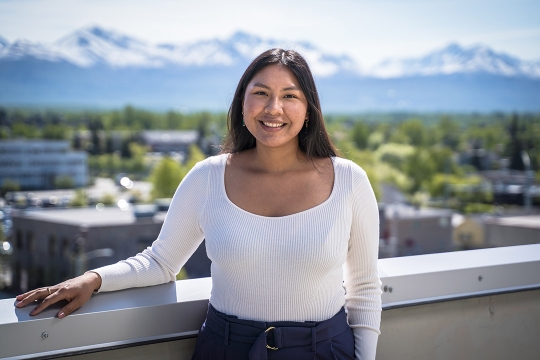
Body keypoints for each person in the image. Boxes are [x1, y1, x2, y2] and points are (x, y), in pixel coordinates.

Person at [15, 48, 382, 360]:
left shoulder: (348, 181)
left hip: (324, 350)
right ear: (242, 103)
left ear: (308, 110)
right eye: (260, 93)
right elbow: (160, 262)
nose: (274, 108)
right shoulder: (207, 178)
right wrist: (93, 278)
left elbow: (364, 287)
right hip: (225, 349)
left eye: (290, 95)